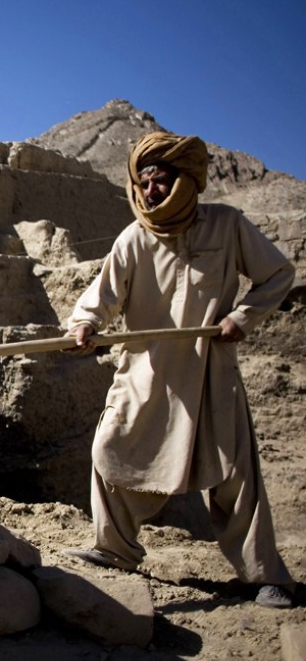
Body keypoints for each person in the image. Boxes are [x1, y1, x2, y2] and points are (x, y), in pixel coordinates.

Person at [61, 131, 297, 609]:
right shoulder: (133, 238)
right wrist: (85, 324)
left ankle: (264, 576)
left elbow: (278, 274)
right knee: (110, 450)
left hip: (211, 372)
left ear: (187, 181)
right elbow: (100, 299)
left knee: (234, 473)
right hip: (148, 373)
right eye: (144, 182)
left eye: (162, 181)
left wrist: (242, 317)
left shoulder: (228, 226)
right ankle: (115, 549)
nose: (151, 191)